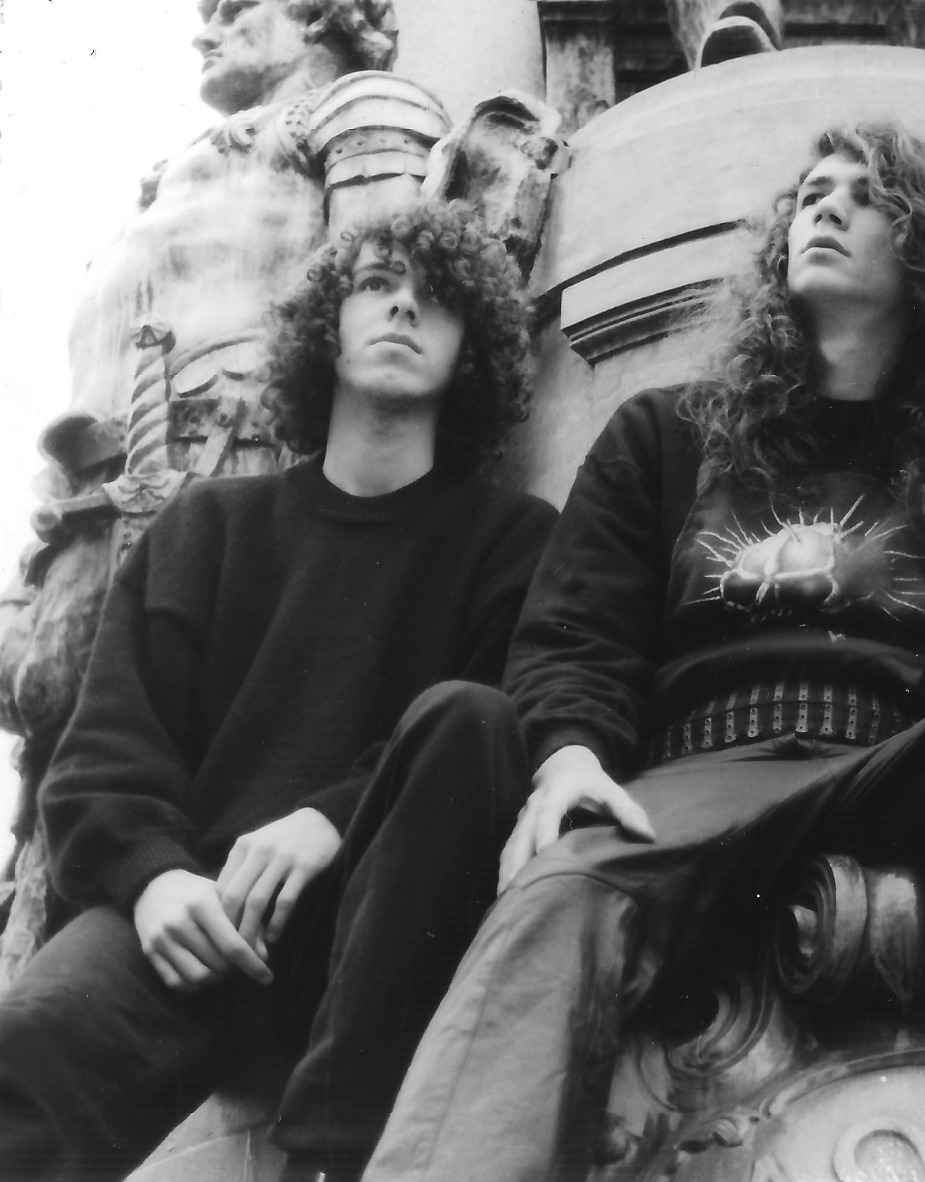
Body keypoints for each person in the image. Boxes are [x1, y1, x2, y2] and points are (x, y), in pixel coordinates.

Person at [361, 124, 925, 1182]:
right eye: (811, 193)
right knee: (557, 892)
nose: (825, 209)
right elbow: (578, 631)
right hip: (705, 773)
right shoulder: (664, 434)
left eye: (867, 196)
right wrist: (568, 753)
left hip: (907, 763)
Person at [0, 202, 558, 1182]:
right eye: (376, 284)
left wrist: (329, 819)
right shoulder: (207, 528)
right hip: (194, 916)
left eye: (435, 300)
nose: (402, 308)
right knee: (24, 1047)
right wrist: (154, 877)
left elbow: (486, 741)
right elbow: (104, 754)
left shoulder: (511, 542)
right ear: (324, 329)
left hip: (375, 936)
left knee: (469, 716)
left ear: (472, 350)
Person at [0, 0, 449, 986]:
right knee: (59, 804)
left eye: (235, 6)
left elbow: (380, 306)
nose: (206, 29)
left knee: (199, 786)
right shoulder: (174, 172)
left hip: (241, 471)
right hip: (97, 508)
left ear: (326, 12)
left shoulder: (360, 111)